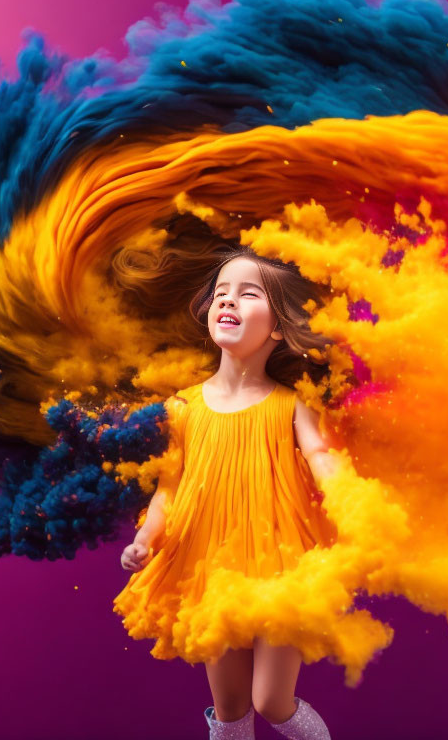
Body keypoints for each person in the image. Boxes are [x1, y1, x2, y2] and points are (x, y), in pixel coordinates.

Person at [114, 245, 340, 740]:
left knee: (270, 700)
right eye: (221, 293)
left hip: (283, 567)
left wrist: (358, 505)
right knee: (232, 707)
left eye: (248, 293)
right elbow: (167, 492)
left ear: (278, 326)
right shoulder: (181, 409)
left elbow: (325, 462)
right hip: (210, 569)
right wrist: (145, 541)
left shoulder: (292, 407)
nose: (227, 301)